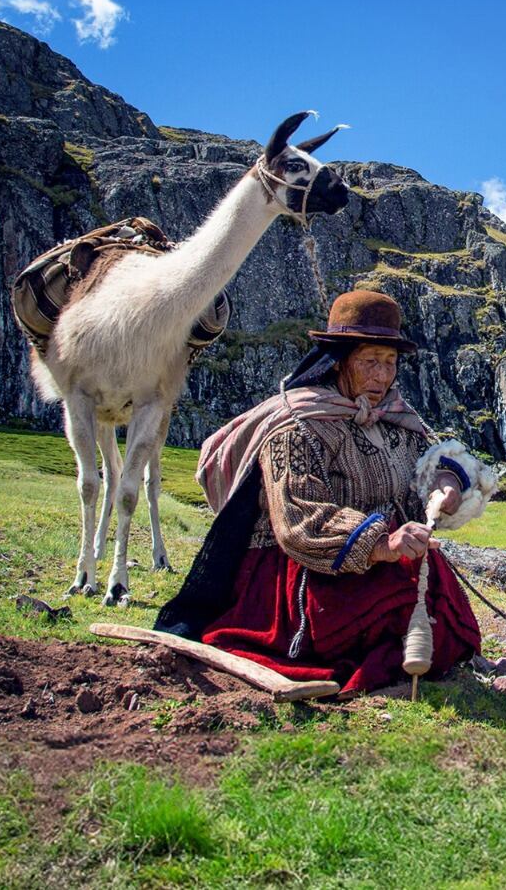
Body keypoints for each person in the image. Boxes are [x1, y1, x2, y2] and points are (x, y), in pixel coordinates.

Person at [156, 290, 482, 695]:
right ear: (340, 359)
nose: (382, 376)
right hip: (302, 571)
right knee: (400, 598)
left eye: (390, 363)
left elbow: (426, 472)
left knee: (441, 599)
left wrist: (445, 486)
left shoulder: (396, 419)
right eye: (370, 362)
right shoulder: (296, 425)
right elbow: (298, 518)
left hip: (380, 563)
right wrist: (383, 542)